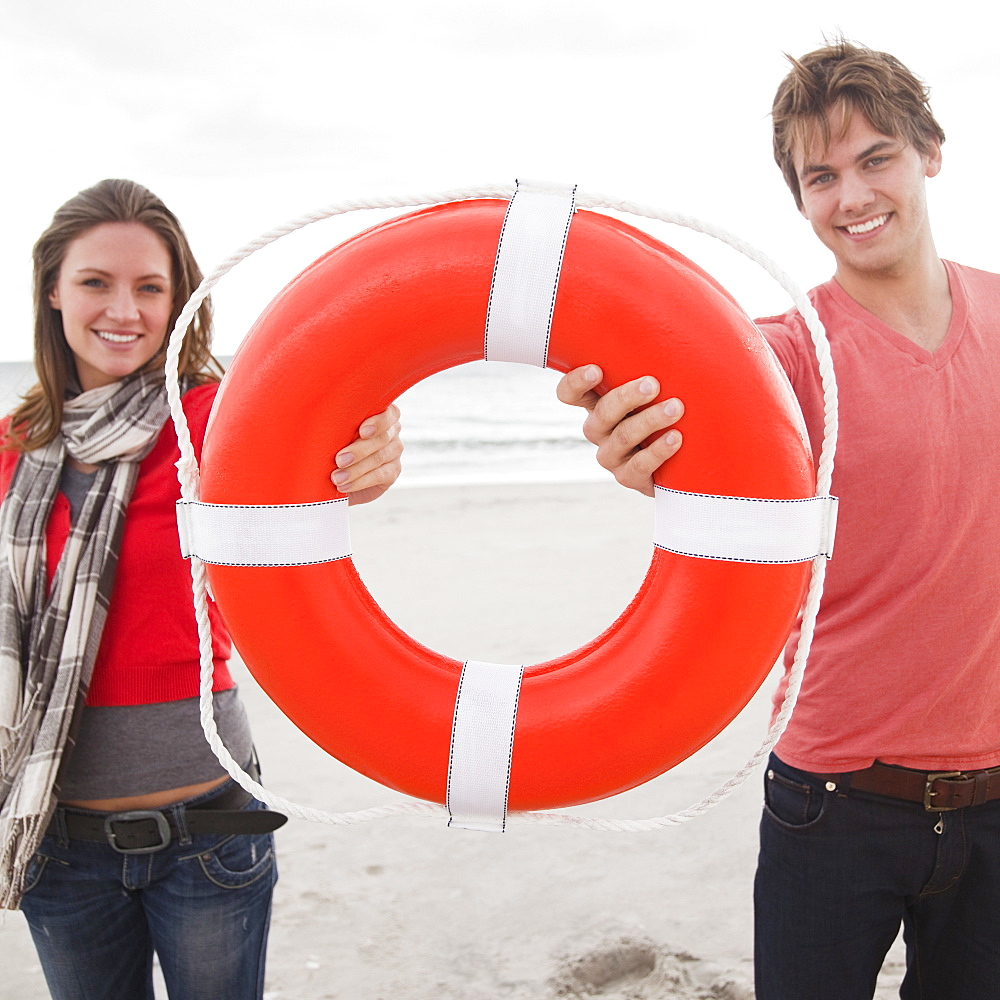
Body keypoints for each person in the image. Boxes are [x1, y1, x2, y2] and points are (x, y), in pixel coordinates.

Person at [557, 40, 1000, 1000]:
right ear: (799, 200)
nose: (851, 196)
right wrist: (636, 445)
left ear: (931, 150)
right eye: (820, 177)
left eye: (875, 158)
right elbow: (678, 409)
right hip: (835, 801)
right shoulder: (786, 359)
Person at [0, 178, 403, 999]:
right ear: (53, 291)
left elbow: (327, 440)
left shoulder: (217, 419)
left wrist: (376, 444)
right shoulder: (10, 450)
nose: (125, 309)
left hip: (209, 839)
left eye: (151, 287)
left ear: (180, 302)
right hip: (55, 844)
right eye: (96, 282)